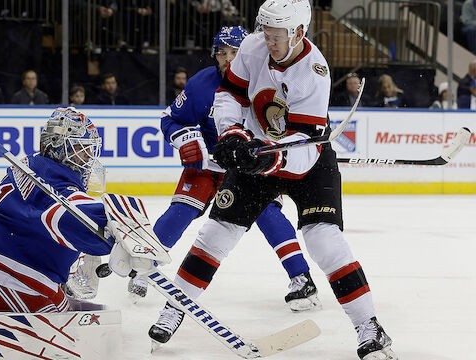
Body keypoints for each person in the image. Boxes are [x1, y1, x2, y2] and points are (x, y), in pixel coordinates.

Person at [147, 1, 399, 360]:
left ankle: (369, 327)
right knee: (215, 234)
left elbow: (299, 155)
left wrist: (261, 156)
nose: (268, 41)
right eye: (265, 31)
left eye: (276, 35)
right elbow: (230, 94)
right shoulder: (252, 45)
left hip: (306, 160)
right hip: (257, 149)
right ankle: (174, 307)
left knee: (324, 241)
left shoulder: (314, 73)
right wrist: (232, 134)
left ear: (298, 32)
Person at [0, 107, 163, 359]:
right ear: (58, 146)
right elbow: (72, 214)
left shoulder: (39, 168)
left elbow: (60, 219)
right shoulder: (51, 182)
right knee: (54, 335)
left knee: (64, 312)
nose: (88, 156)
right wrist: (116, 231)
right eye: (81, 148)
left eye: (89, 148)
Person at [128, 26, 320, 314]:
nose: (228, 59)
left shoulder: (267, 80)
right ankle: (143, 266)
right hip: (210, 164)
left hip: (248, 168)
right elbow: (171, 119)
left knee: (268, 213)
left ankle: (301, 277)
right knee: (181, 211)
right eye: (222, 53)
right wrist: (184, 139)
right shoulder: (201, 84)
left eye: (235, 52)